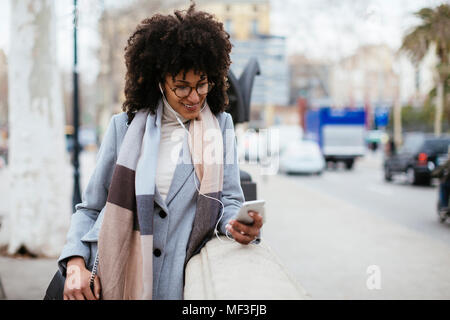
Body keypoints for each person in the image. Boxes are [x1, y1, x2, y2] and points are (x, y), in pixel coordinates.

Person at [58, 4, 263, 300]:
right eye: (181, 87)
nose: (194, 97)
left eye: (202, 84)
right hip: (112, 283)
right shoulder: (123, 128)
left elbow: (229, 199)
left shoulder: (221, 127)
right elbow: (90, 208)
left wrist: (238, 225)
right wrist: (74, 262)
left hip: (177, 289)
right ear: (159, 81)